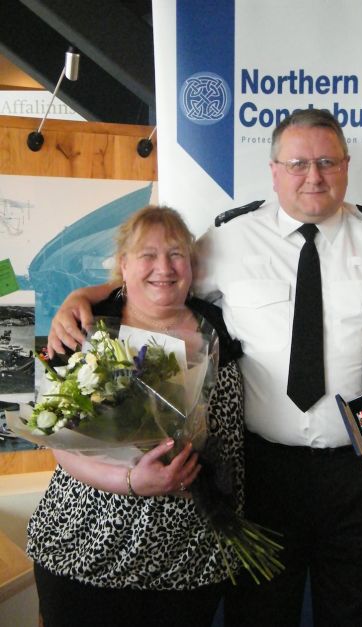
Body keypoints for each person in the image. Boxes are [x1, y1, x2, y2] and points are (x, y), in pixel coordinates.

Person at [47, 109, 362, 627]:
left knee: (358, 612)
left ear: (346, 166)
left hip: (361, 468)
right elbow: (156, 278)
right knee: (260, 616)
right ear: (273, 170)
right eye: (297, 164)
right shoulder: (231, 237)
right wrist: (83, 295)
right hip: (262, 472)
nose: (312, 176)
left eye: (326, 162)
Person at [28, 206, 244, 627]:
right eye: (147, 254)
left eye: (176, 254)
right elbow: (61, 446)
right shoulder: (86, 325)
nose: (163, 267)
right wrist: (130, 482)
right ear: (123, 266)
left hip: (190, 561)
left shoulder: (217, 325)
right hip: (88, 551)